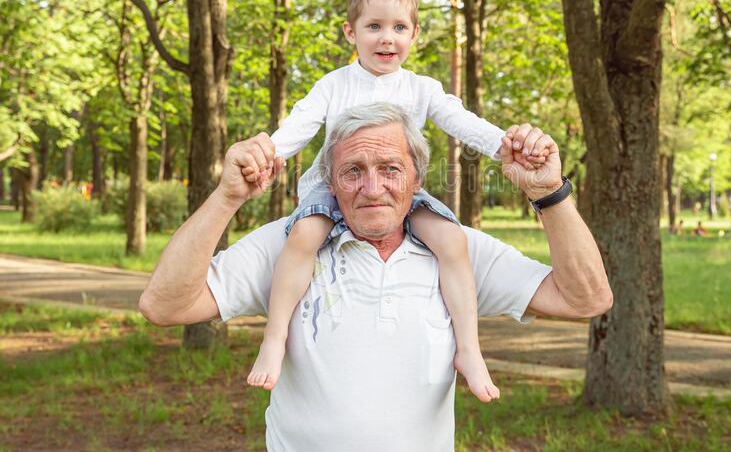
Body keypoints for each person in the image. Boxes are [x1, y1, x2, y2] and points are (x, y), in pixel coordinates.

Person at [138, 104, 613, 452]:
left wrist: (550, 193)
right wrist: (226, 197)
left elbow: (584, 298)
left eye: (390, 169)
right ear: (328, 182)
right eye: (352, 172)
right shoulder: (287, 246)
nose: (372, 188)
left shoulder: (457, 251)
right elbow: (165, 305)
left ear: (417, 179)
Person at [239, 0, 545, 401]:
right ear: (351, 32)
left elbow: (461, 121)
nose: (387, 38)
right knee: (304, 236)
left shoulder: (421, 88)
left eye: (399, 27)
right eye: (374, 27)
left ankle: (470, 350)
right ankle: (273, 340)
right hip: (335, 188)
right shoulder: (334, 85)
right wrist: (268, 153)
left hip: (401, 193)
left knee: (451, 240)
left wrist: (505, 146)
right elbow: (301, 123)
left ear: (415, 33)